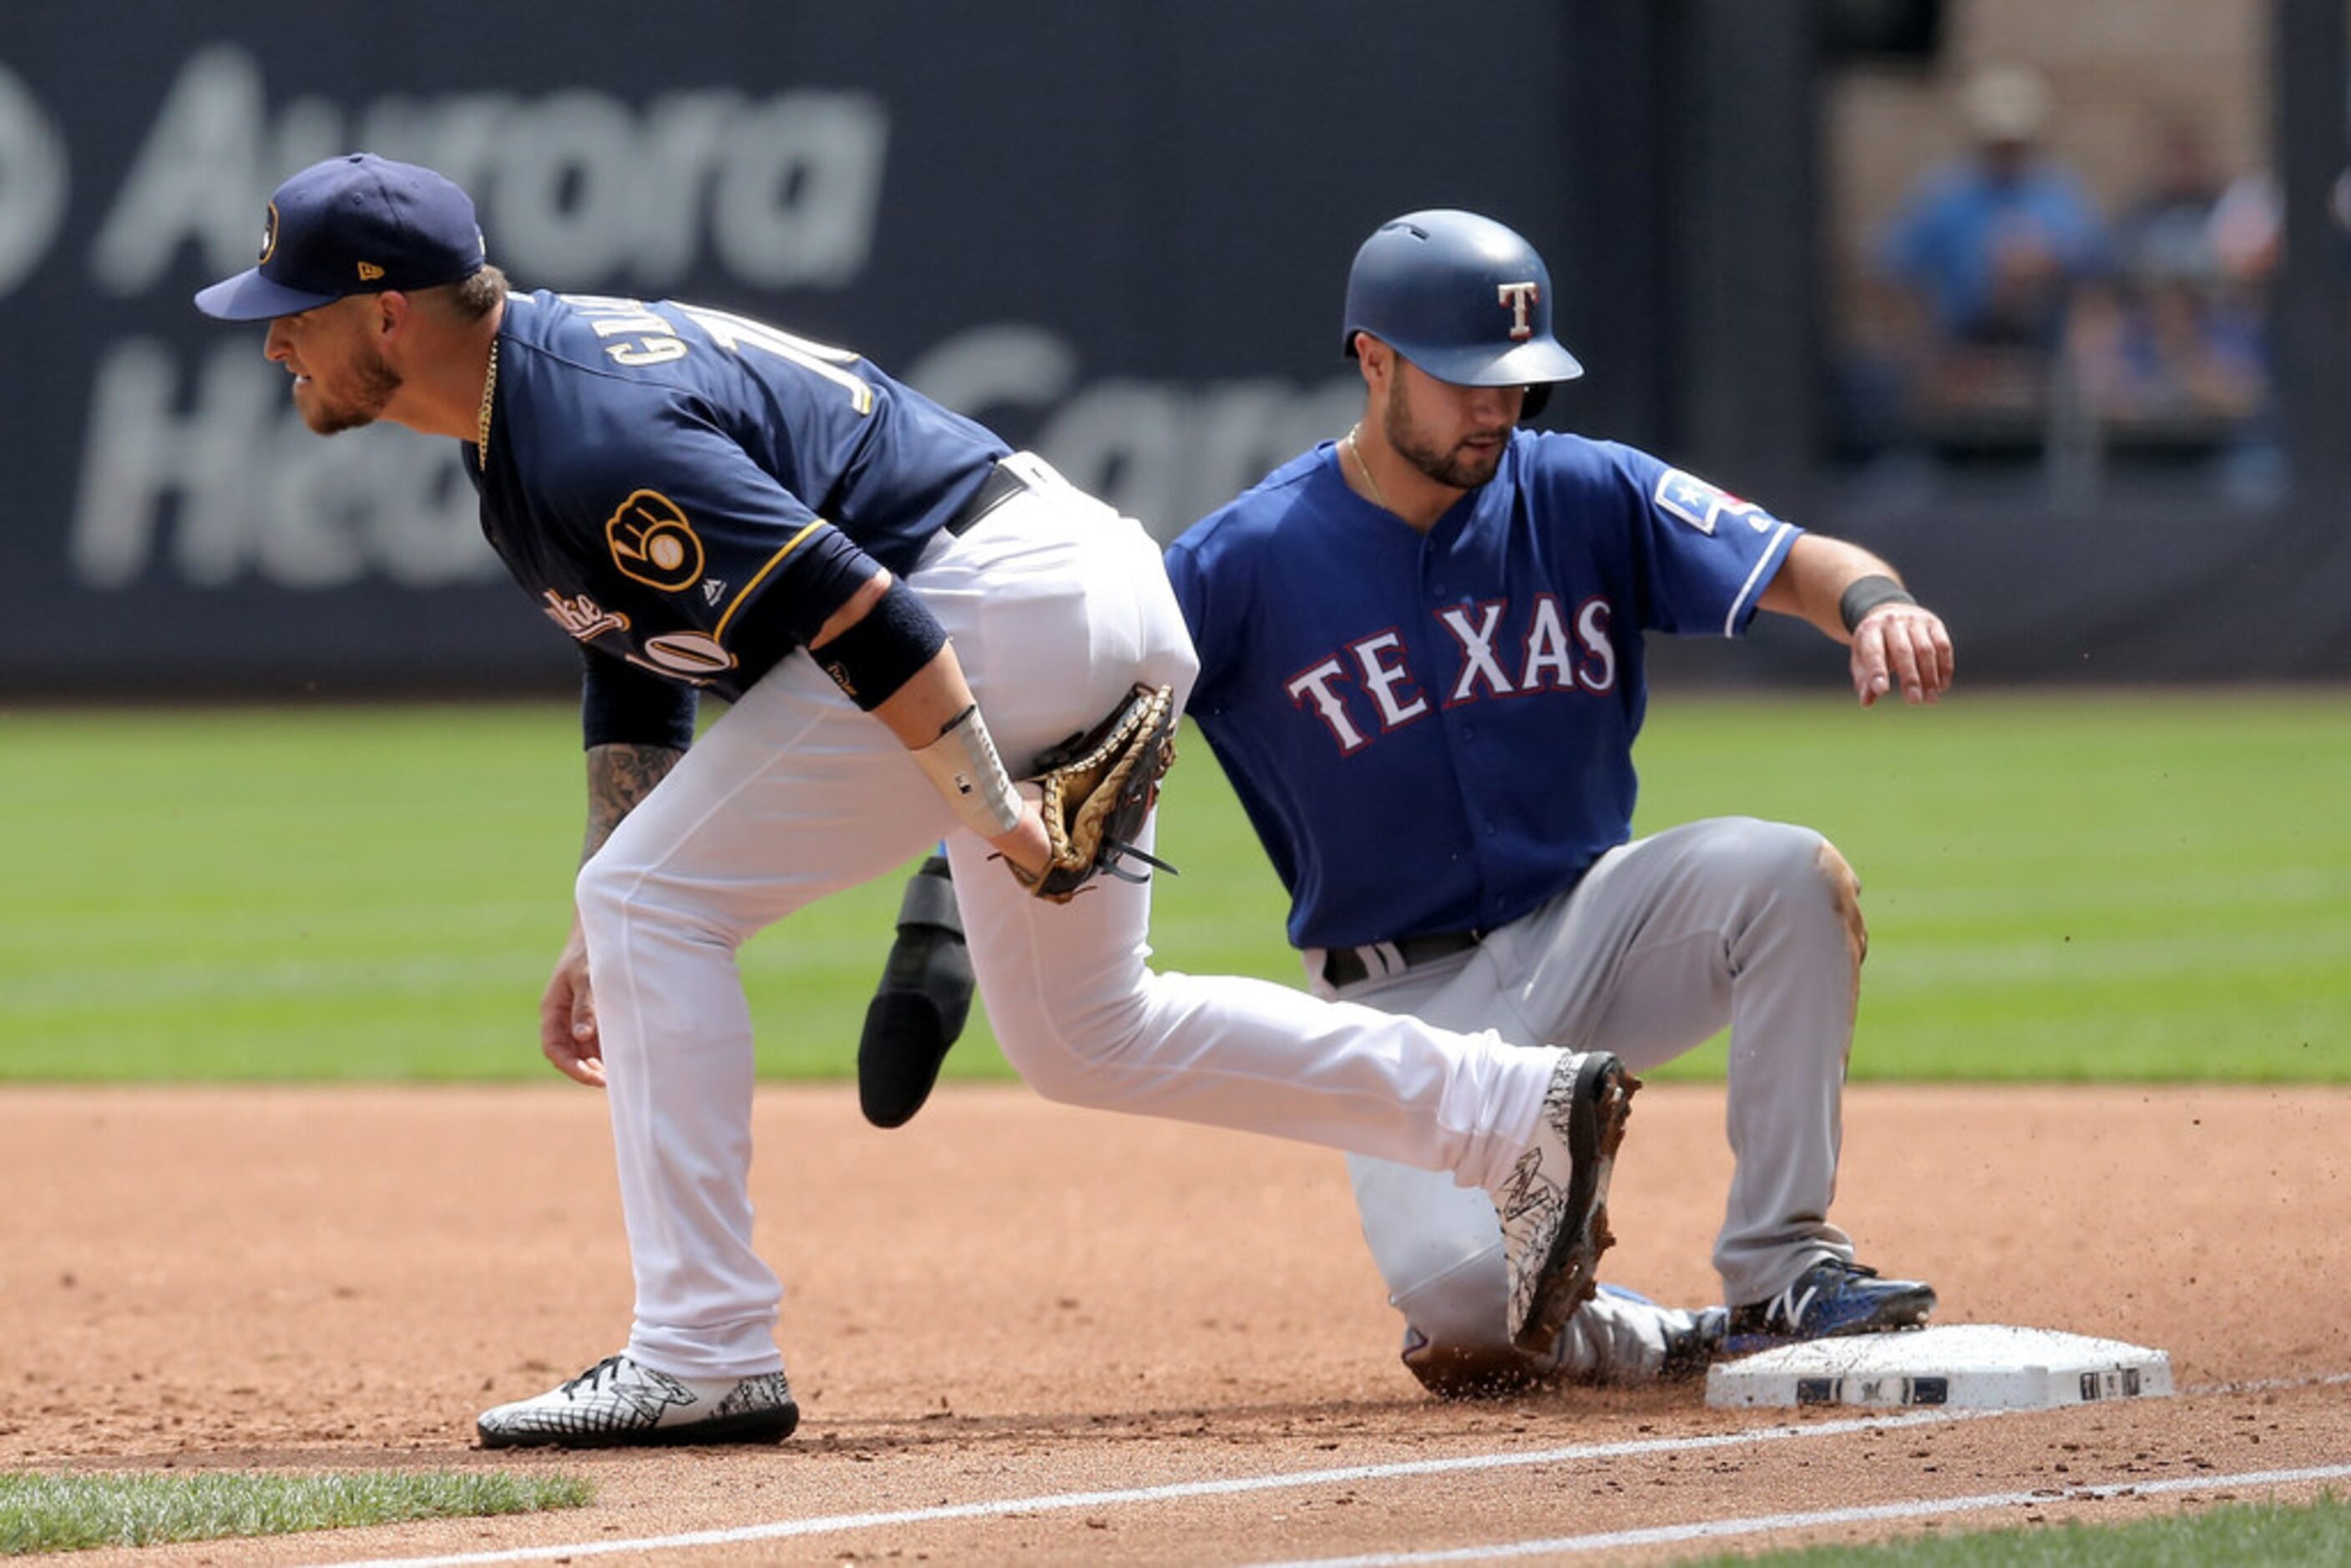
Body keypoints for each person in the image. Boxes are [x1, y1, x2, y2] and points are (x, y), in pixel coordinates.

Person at [194, 155, 1640, 1448]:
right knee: (1084, 1031)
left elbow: (861, 608)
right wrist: (610, 906)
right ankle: (1511, 1106)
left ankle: (702, 1350)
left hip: (982, 604)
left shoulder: (585, 425)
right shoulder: (523, 423)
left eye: (296, 307)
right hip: (1074, 585)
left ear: (392, 315)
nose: (272, 336)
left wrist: (989, 811)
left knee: (653, 899)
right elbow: (631, 667)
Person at [1156, 209, 1952, 1393]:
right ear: (1372, 360)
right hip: (1398, 1004)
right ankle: (1621, 1326)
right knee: (1471, 1322)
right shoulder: (1243, 555)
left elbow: (1794, 559)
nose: (1498, 406)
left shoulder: (1584, 488)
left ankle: (1782, 1265)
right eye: (1466, 378)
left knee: (1793, 875)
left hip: (1589, 936)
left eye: (1519, 379)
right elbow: (1084, 704)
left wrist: (1875, 601)